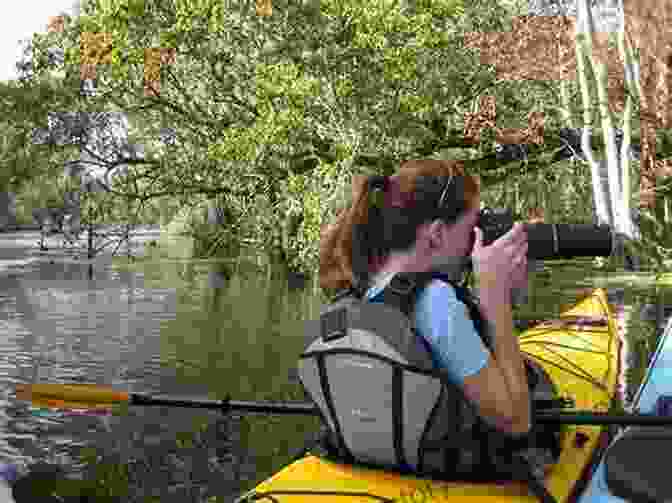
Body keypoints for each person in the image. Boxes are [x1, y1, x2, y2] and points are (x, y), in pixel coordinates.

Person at [319, 159, 532, 436]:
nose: (474, 242)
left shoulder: (362, 285)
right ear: (437, 233)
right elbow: (517, 422)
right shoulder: (436, 301)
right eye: (470, 229)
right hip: (453, 471)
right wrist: (495, 298)